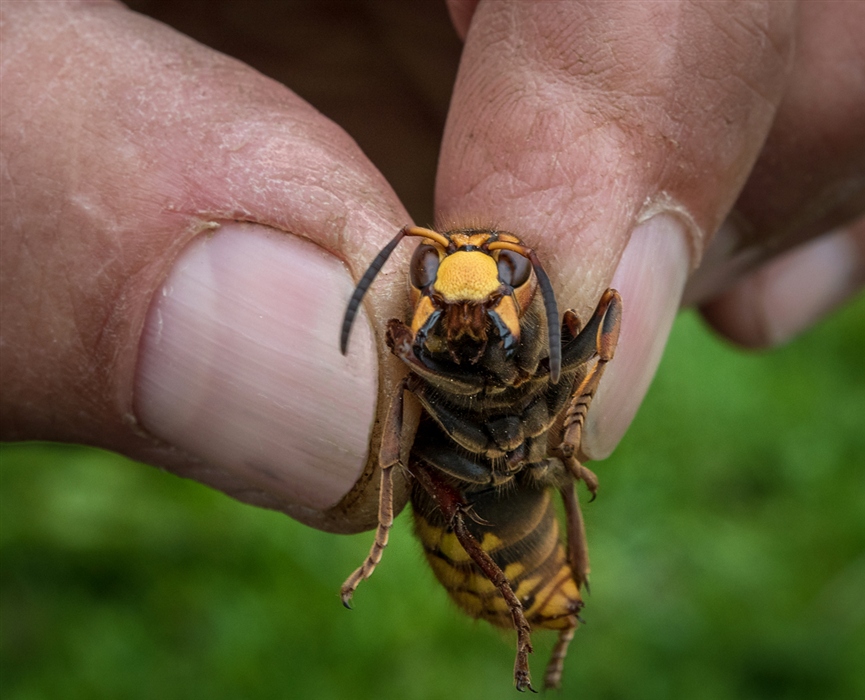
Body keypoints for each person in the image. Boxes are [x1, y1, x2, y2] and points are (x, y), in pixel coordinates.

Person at [2, 0, 862, 534]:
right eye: (439, 280)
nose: (465, 297)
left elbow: (588, 333)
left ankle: (560, 559)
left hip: (522, 490)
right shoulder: (416, 348)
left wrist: (560, 428)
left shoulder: (543, 329)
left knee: (558, 447)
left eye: (494, 280)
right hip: (459, 507)